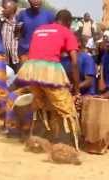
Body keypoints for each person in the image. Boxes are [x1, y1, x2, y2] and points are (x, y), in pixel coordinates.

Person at [16, 10, 80, 150]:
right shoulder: (67, 32)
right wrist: (77, 88)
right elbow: (74, 62)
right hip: (50, 71)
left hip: (31, 70)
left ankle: (38, 143)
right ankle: (66, 147)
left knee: (40, 104)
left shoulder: (39, 29)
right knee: (66, 109)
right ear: (68, 22)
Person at [0, 0, 20, 72]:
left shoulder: (20, 24)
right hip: (5, 60)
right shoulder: (0, 25)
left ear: (11, 9)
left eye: (4, 8)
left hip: (18, 60)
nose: (2, 10)